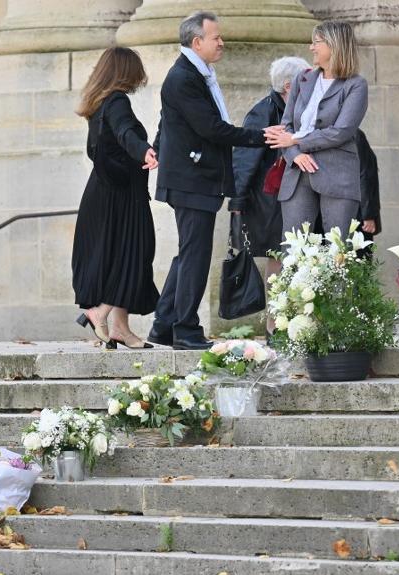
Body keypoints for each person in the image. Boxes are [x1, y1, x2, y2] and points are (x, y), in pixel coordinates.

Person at [147, 11, 268, 351]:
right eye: (216, 38)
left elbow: (167, 121)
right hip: (191, 179)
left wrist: (157, 147)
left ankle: (164, 323)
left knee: (189, 254)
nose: (222, 43)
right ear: (197, 41)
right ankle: (185, 328)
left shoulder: (196, 73)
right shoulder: (185, 77)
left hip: (191, 178)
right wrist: (260, 137)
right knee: (195, 256)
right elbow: (210, 129)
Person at [72, 47, 160, 349]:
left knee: (120, 255)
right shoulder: (118, 101)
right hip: (121, 195)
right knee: (133, 254)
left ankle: (121, 329)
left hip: (102, 191)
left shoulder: (98, 103)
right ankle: (101, 312)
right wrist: (144, 151)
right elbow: (126, 133)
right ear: (125, 71)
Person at [264, 21, 368, 242]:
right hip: (297, 172)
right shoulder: (301, 79)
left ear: (334, 45)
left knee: (337, 252)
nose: (311, 47)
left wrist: (295, 141)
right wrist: (295, 153)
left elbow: (341, 131)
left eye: (316, 42)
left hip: (337, 175)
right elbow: (286, 127)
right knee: (293, 248)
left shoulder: (356, 85)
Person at [233, 56, 310, 335]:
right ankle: (274, 326)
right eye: (306, 79)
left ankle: (299, 324)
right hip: (270, 203)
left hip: (297, 196)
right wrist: (238, 202)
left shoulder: (303, 109)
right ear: (289, 87)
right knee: (277, 259)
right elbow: (244, 161)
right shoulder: (263, 112)